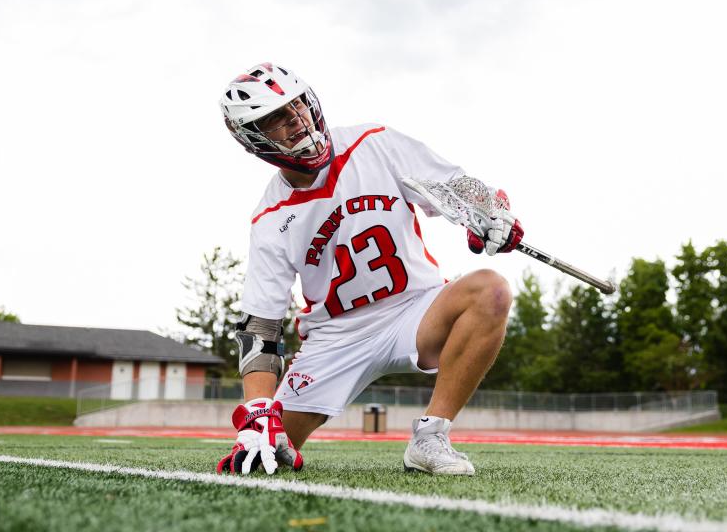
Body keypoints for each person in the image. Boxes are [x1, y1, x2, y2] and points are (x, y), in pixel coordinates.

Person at [215, 62, 523, 476]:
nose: (297, 122)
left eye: (298, 107)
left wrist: (488, 212)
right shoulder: (270, 218)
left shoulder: (373, 144)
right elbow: (261, 329)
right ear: (253, 140)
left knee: (492, 290)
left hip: (414, 310)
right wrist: (257, 410)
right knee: (269, 455)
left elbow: (457, 187)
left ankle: (430, 437)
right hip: (335, 337)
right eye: (277, 121)